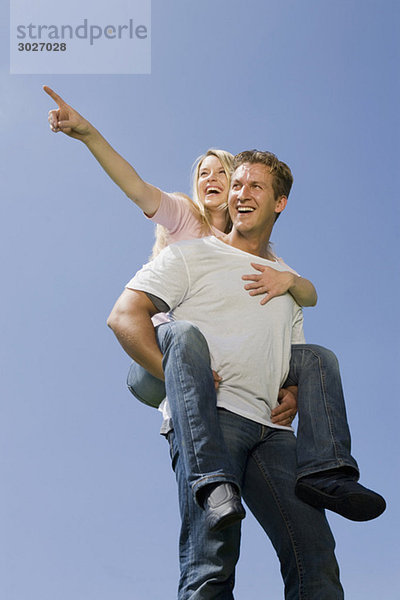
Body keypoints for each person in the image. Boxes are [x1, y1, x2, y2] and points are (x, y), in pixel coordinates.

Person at [45, 88, 385, 532]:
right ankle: (210, 475)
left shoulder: (262, 257)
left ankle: (329, 468)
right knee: (185, 340)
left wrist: (292, 377)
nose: (214, 181)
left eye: (225, 175)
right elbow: (135, 186)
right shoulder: (187, 220)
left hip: (236, 371)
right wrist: (88, 134)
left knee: (318, 358)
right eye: (204, 174)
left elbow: (299, 305)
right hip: (168, 344)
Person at [107, 150, 353, 598]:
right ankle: (210, 480)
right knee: (211, 567)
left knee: (316, 561)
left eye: (254, 186)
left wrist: (295, 392)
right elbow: (124, 316)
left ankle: (333, 472)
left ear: (279, 203)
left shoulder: (284, 278)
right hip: (212, 419)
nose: (240, 193)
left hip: (273, 434)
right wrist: (183, 378)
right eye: (236, 185)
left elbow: (292, 356)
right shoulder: (191, 255)